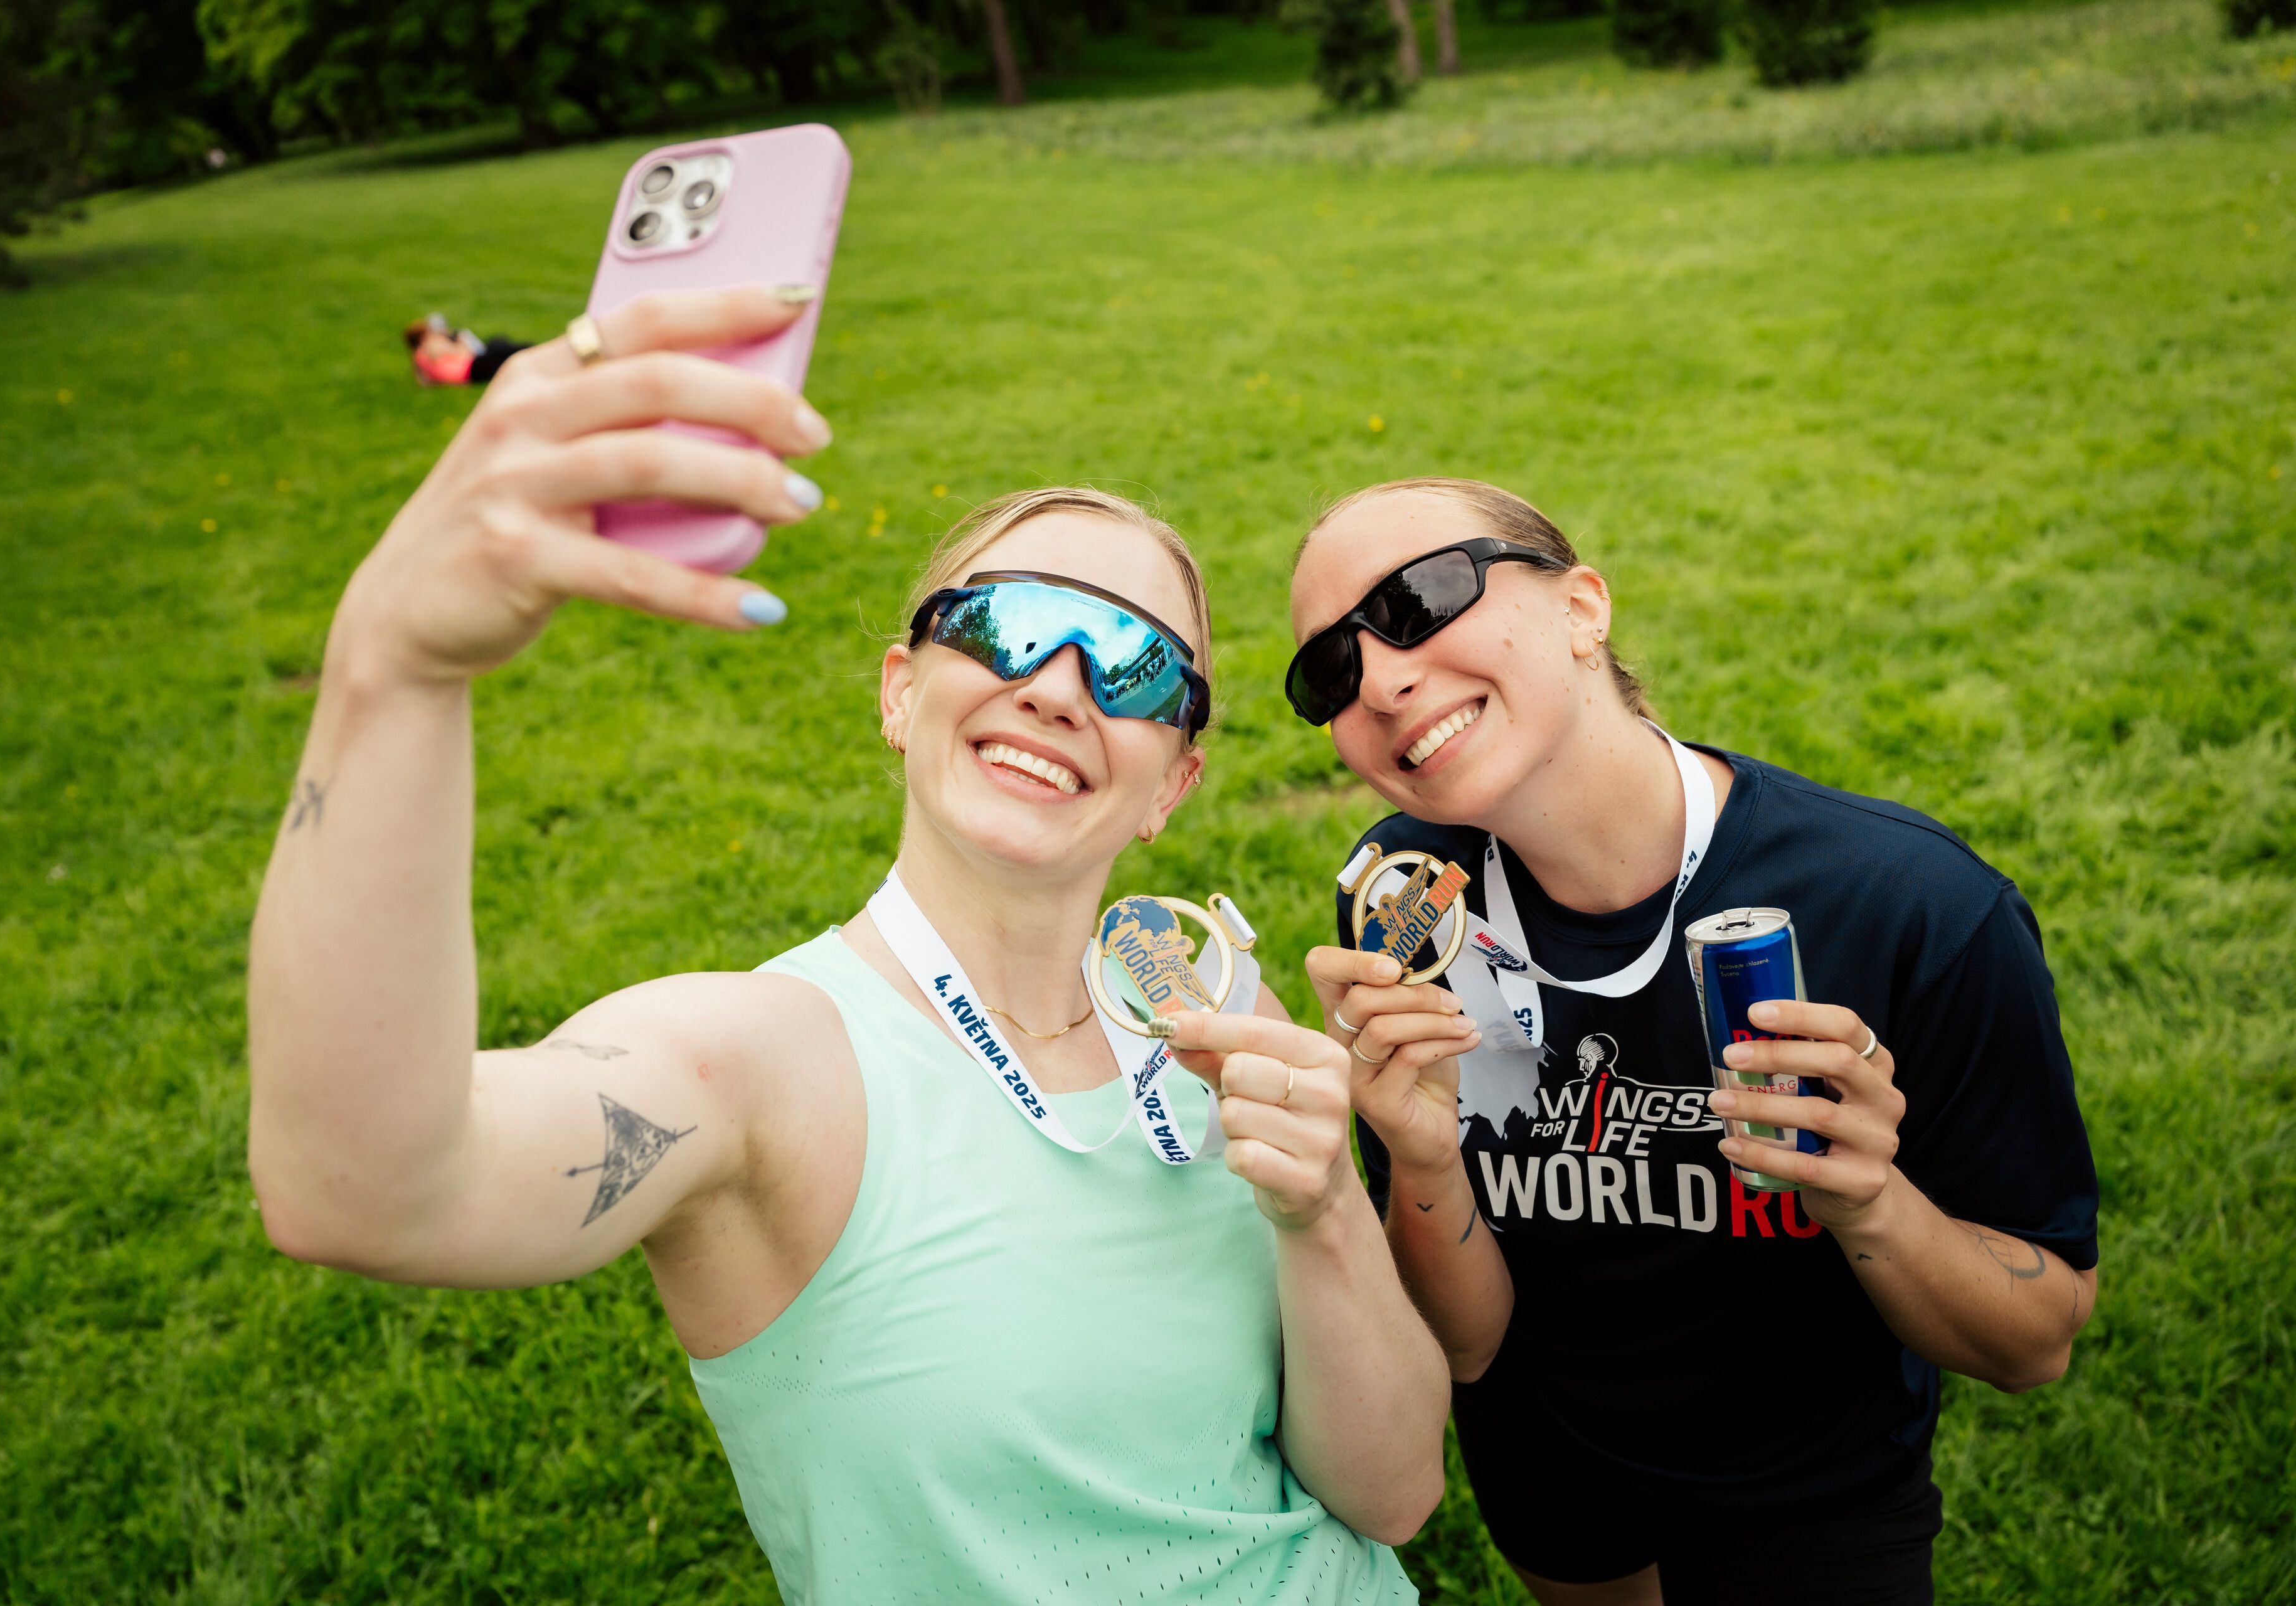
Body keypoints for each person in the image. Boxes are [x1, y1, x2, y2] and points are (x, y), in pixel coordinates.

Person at [247, 285, 1448, 1605]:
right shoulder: (761, 1063)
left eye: (1136, 665)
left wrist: (1326, 1205)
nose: (1055, 683)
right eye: (1000, 623)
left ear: (1173, 782)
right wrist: (396, 668)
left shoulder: (1207, 1011)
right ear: (898, 688)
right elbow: (360, 1189)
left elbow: (1393, 1492)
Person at [1287, 477, 2101, 1606]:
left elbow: (2037, 1340)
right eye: (1329, 670)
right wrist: (1421, 1157)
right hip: (1552, 1481)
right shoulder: (1405, 903)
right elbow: (1467, 1349)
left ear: (1581, 609)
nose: (1378, 679)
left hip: (1811, 1503)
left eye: (1422, 601)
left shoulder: (1912, 909)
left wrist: (1871, 1200)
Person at [404, 312, 529, 386]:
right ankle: (531, 350)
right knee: (504, 352)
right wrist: (458, 340)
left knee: (499, 345)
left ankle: (529, 352)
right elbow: (463, 354)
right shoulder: (430, 347)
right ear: (422, 337)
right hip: (470, 369)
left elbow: (424, 382)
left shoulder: (419, 357)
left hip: (468, 370)